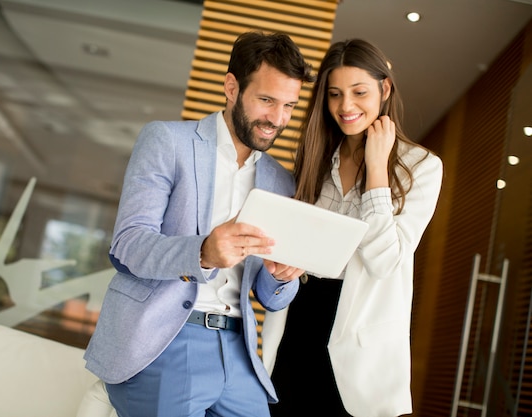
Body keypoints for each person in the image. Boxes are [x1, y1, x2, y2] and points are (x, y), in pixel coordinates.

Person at [83, 31, 314, 417]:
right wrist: (203, 252)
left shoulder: (281, 181)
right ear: (231, 87)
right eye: (267, 100)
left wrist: (282, 277)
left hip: (239, 351)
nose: (277, 119)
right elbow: (127, 245)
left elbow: (272, 299)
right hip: (166, 340)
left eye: (289, 106)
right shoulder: (167, 142)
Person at [266, 38, 444, 417]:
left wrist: (377, 169)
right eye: (334, 94)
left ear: (385, 88)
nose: (346, 106)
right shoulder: (316, 158)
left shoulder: (422, 167)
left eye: (359, 92)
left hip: (356, 342)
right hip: (297, 323)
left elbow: (385, 261)